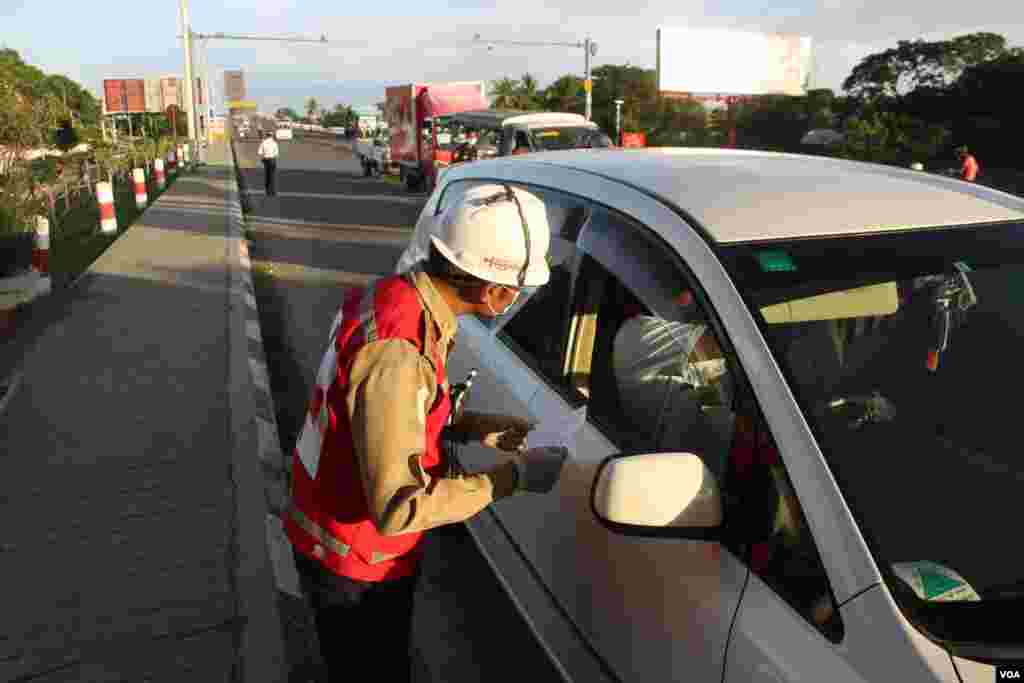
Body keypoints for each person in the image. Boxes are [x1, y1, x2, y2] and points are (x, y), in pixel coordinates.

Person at [285, 183, 570, 682]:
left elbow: (380, 412)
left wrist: (474, 428)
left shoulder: (395, 297)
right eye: (517, 290)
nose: (516, 300)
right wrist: (515, 478)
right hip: (354, 559)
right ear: (494, 292)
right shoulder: (400, 350)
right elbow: (399, 507)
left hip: (342, 539)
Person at [257, 131, 279, 196]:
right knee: (272, 176)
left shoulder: (263, 142)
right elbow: (276, 154)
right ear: (272, 136)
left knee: (267, 175)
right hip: (272, 160)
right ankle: (272, 191)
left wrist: (263, 157)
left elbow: (259, 152)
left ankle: (267, 191)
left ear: (267, 136)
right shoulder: (274, 143)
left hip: (266, 160)